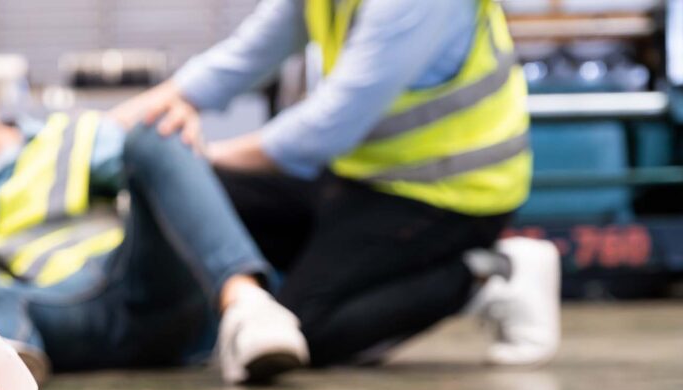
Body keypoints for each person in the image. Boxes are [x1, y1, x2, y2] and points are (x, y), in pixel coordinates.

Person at [116, 0, 561, 367]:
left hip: (449, 196)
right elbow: (242, 58)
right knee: (204, 197)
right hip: (362, 177)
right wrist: (109, 130)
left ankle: (486, 276)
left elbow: (328, 126)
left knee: (302, 333)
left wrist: (194, 158)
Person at [0, 28, 309, 384]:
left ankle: (246, 307)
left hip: (134, 286)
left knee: (158, 130)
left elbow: (162, 165)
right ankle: (5, 381)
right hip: (46, 328)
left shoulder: (69, 138)